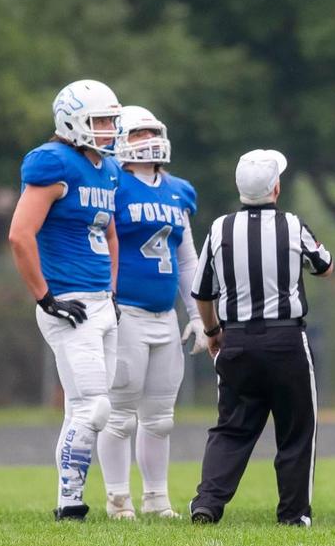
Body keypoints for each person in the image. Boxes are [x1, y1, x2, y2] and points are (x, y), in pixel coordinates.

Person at [188, 149, 333, 527]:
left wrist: (212, 332)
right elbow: (325, 266)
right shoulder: (292, 224)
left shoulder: (220, 229)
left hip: (236, 341)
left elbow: (202, 291)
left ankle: (207, 503)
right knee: (297, 431)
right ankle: (294, 514)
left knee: (231, 428)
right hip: (287, 342)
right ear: (276, 187)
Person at [7, 79, 123, 521]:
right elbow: (20, 235)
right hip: (68, 301)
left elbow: (109, 232)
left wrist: (112, 290)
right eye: (100, 121)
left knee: (89, 406)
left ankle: (71, 500)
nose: (109, 130)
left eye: (111, 121)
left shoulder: (108, 169)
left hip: (99, 300)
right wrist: (45, 297)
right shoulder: (52, 162)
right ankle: (69, 504)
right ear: (72, 121)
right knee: (94, 407)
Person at [97, 105, 207, 520]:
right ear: (121, 139)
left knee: (160, 418)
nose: (149, 141)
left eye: (152, 132)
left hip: (165, 318)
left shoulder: (178, 189)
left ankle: (157, 498)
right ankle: (118, 498)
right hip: (126, 313)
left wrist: (197, 315)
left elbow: (187, 259)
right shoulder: (111, 184)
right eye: (139, 134)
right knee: (120, 415)